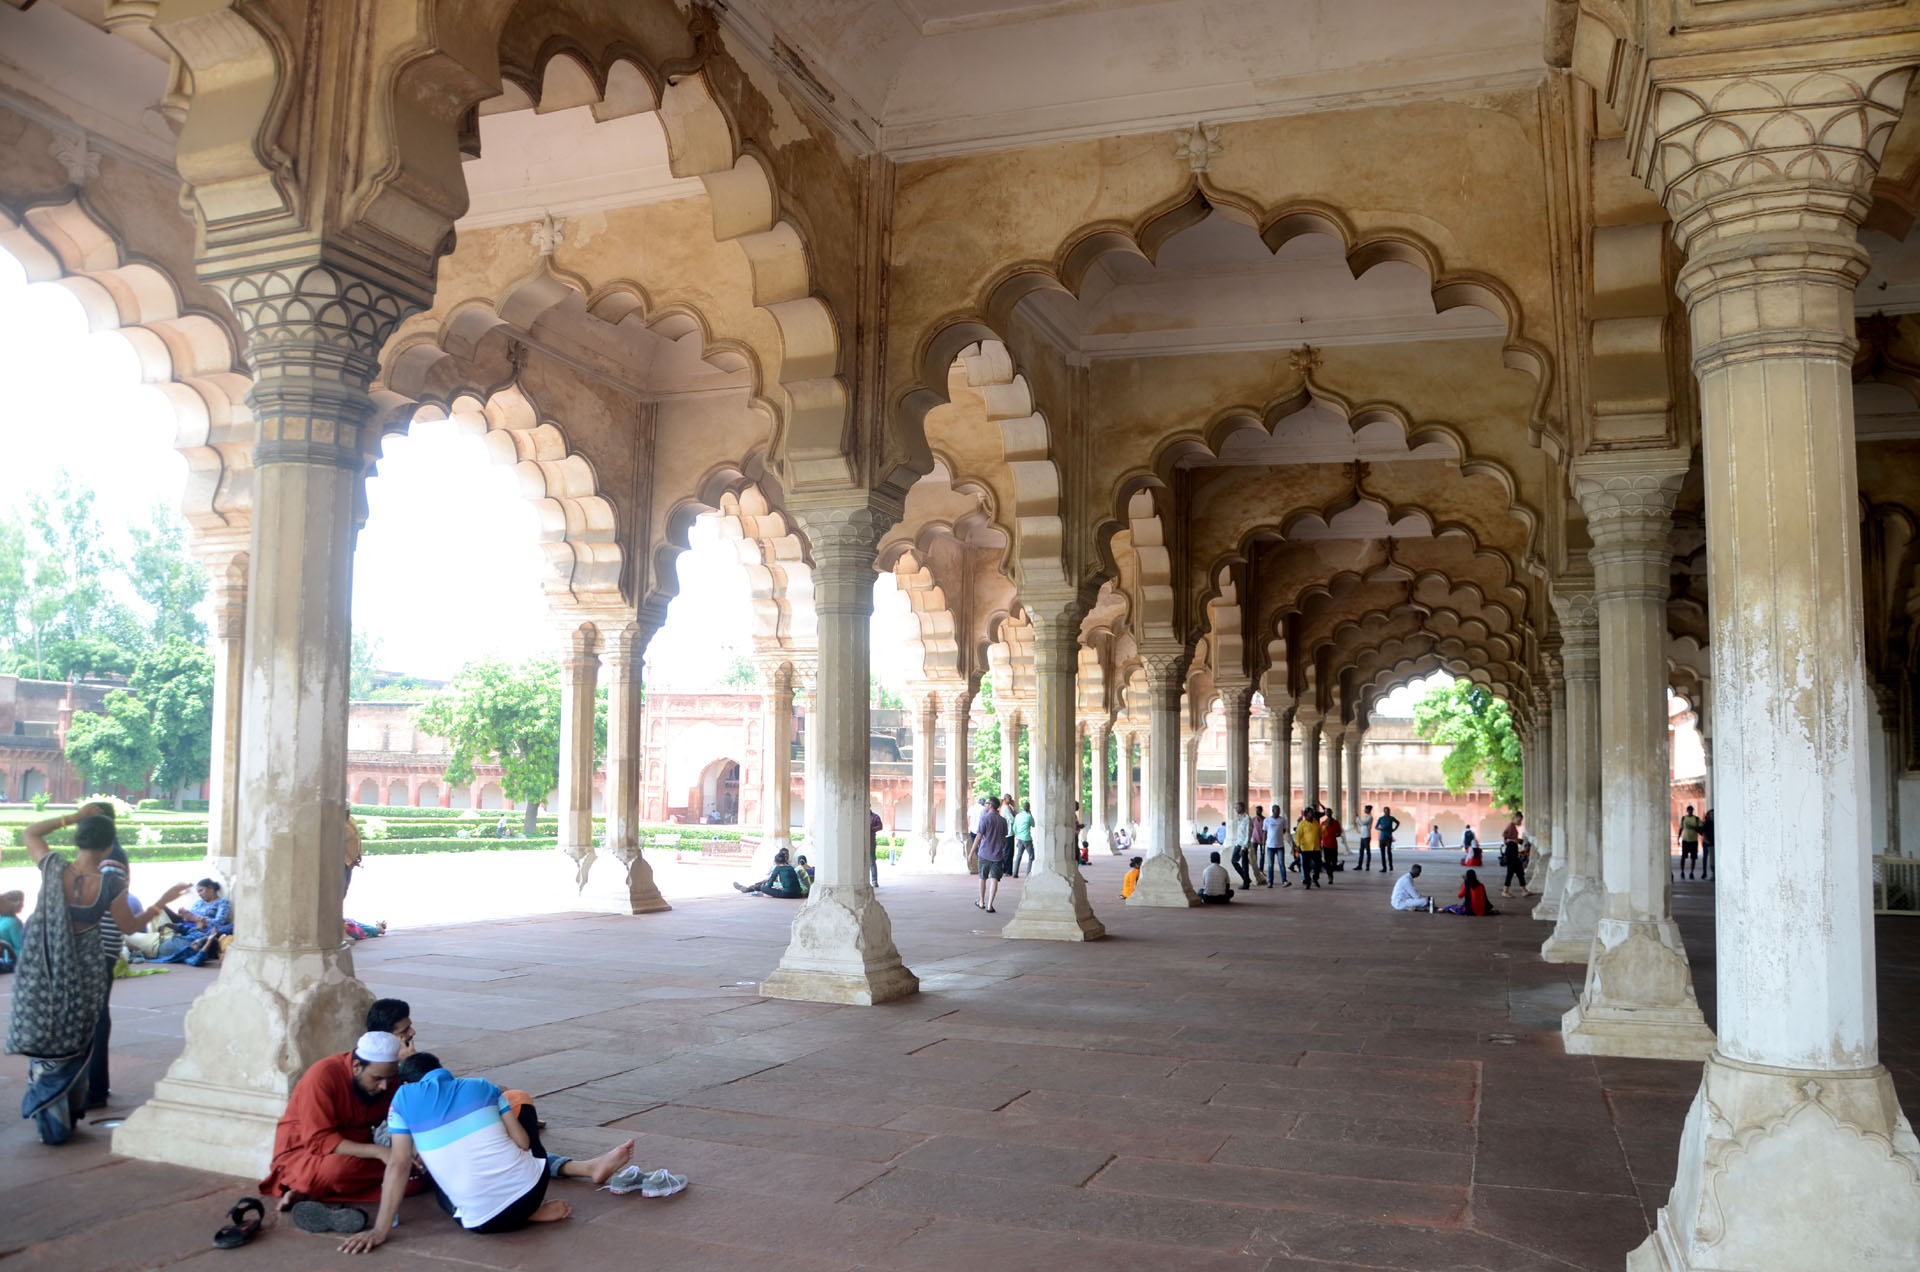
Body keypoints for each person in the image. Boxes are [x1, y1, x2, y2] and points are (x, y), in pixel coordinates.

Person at [339, 1052, 636, 1251]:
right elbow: (522, 1143)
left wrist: (380, 1231)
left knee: (444, 1192)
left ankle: (527, 1208)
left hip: (478, 1223)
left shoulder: (402, 1099)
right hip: (530, 1192)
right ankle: (531, 1209)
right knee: (521, 1103)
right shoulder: (482, 1086)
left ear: (405, 1083)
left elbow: (399, 1164)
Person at [8, 807, 185, 1141]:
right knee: (76, 1038)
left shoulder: (53, 868)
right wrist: (163, 900)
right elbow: (130, 926)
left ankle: (48, 1111)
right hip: (85, 975)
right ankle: (66, 1113)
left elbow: (30, 832)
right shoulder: (111, 884)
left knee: (48, 1035)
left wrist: (74, 816)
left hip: (44, 970)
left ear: (78, 840)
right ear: (108, 848)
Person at [259, 1030, 405, 1229]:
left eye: (390, 1079)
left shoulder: (387, 1081)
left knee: (412, 1176)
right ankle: (309, 1189)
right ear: (356, 1067)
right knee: (337, 1171)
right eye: (377, 1079)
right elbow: (318, 1139)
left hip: (359, 1152)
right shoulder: (322, 1075)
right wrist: (380, 1152)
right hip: (307, 1153)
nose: (384, 1087)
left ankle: (313, 1194)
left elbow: (401, 1115)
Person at [974, 795, 1010, 913]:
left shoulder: (984, 819)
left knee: (982, 877)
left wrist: (971, 853)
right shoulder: (1002, 821)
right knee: (994, 879)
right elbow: (1004, 839)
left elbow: (979, 837)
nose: (985, 805)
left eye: (987, 803)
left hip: (984, 853)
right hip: (997, 854)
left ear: (990, 805)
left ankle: (981, 902)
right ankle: (990, 905)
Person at [733, 848, 806, 897]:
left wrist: (767, 888)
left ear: (776, 861)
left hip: (786, 893)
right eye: (784, 854)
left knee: (764, 888)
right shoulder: (791, 868)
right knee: (766, 884)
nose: (786, 855)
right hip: (797, 893)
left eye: (787, 854)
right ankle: (747, 888)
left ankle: (747, 889)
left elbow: (769, 883)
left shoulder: (779, 867)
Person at [1499, 813, 1531, 897]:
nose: (1520, 822)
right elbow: (1504, 834)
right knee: (1511, 871)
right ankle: (1505, 891)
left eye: (1520, 820)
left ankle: (1524, 890)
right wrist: (1514, 839)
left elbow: (1511, 838)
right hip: (1511, 850)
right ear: (1514, 818)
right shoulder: (1511, 825)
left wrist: (1518, 840)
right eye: (1519, 820)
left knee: (1519, 870)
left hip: (1513, 849)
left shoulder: (1513, 826)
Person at [1294, 808, 1322, 889]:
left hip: (1316, 848)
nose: (1313, 814)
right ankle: (1307, 881)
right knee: (1306, 866)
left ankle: (1315, 878)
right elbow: (1298, 836)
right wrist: (1298, 846)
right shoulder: (1301, 824)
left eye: (1313, 813)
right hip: (1305, 848)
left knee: (1318, 864)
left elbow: (1319, 833)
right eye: (1311, 813)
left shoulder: (1316, 822)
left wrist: (1324, 828)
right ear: (1306, 814)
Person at [1228, 802, 1253, 890]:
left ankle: (1246, 883)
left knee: (1244, 864)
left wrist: (1244, 847)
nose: (1236, 809)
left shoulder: (1247, 819)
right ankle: (1246, 879)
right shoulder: (1239, 818)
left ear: (1242, 808)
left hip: (1243, 845)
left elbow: (1248, 834)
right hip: (1238, 843)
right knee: (1234, 861)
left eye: (1237, 808)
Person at [1263, 806, 1289, 888]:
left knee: (1281, 863)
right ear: (1273, 810)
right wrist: (1263, 844)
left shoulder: (1282, 820)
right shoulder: (1267, 820)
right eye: (1276, 810)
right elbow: (1264, 833)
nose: (1278, 812)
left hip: (1280, 846)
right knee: (1270, 865)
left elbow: (1284, 831)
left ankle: (1284, 881)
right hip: (1270, 846)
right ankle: (1270, 882)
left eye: (1279, 810)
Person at [1677, 804, 1703, 880]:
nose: (1690, 811)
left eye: (1691, 810)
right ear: (1687, 811)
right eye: (1689, 810)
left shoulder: (1696, 819)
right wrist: (1678, 838)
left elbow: (1700, 831)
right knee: (1683, 857)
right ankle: (1682, 872)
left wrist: (1694, 828)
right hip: (1685, 840)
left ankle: (1691, 872)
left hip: (1694, 841)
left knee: (1693, 858)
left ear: (1693, 811)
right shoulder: (1684, 818)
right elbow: (1681, 829)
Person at [1010, 800, 1035, 877]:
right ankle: (1028, 873)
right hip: (1027, 838)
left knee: (1018, 856)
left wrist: (1017, 835)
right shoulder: (1028, 816)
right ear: (1029, 808)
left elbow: (1014, 828)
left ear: (1023, 808)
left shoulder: (1018, 816)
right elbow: (1033, 824)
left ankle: (1015, 872)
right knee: (1031, 856)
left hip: (1020, 838)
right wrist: (1030, 815)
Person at [0, 890, 22, 972]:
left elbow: (19, 947)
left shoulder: (9, 921)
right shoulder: (11, 922)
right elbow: (21, 947)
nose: (22, 905)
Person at [1318, 805, 1342, 882]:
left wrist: (1336, 834)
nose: (1328, 813)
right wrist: (1319, 844)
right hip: (1326, 845)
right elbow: (1320, 834)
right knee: (1327, 862)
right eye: (1326, 812)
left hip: (1334, 845)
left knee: (1334, 862)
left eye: (1329, 812)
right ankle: (1330, 876)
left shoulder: (1336, 822)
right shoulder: (1323, 823)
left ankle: (1330, 872)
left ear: (1331, 813)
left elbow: (1339, 832)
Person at [1375, 806, 1400, 873]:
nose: (1387, 812)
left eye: (1388, 811)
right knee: (1382, 853)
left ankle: (1390, 866)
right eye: (1386, 811)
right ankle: (1384, 867)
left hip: (1388, 837)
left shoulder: (1391, 818)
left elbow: (1398, 822)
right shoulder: (1381, 819)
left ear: (1389, 811)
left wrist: (1394, 829)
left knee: (1389, 852)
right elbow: (1376, 827)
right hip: (1382, 837)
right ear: (1384, 811)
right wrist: (1380, 828)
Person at [1357, 804, 1375, 871]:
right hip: (1363, 836)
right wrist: (1358, 819)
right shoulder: (1366, 817)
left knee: (1367, 851)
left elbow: (1363, 823)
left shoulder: (1370, 817)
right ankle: (1359, 865)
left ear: (1368, 810)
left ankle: (1367, 866)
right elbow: (1360, 823)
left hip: (1367, 836)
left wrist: (1358, 818)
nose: (1364, 810)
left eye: (1365, 809)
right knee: (1361, 851)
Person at [869, 808, 884, 887]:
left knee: (872, 862)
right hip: (860, 842)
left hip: (871, 842)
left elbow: (880, 826)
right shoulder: (860, 816)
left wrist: (871, 829)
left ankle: (874, 880)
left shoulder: (875, 817)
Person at [1700, 808, 1715, 881]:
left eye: (1713, 814)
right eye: (1711, 814)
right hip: (1707, 843)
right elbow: (1703, 833)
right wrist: (1706, 840)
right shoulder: (1707, 823)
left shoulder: (1715, 823)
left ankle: (1713, 873)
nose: (1712, 816)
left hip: (1712, 843)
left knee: (1713, 859)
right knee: (1705, 858)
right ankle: (1704, 872)